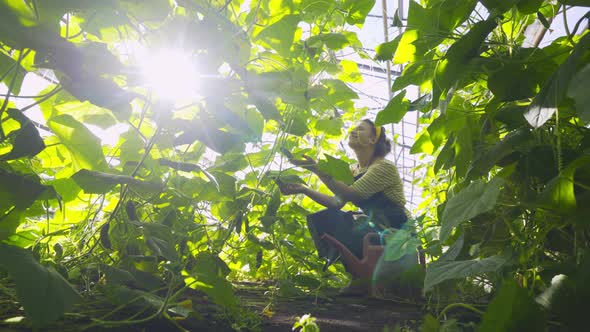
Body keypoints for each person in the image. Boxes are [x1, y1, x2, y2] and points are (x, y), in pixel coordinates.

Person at [277, 119, 409, 295]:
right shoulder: (353, 170)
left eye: (361, 129)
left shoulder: (383, 167)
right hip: (376, 227)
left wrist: (316, 169)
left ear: (372, 140)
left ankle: (368, 280)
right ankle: (358, 277)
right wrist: (304, 189)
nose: (353, 131)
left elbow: (351, 194)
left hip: (397, 229)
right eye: (353, 128)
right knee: (326, 218)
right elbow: (336, 203)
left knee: (348, 224)